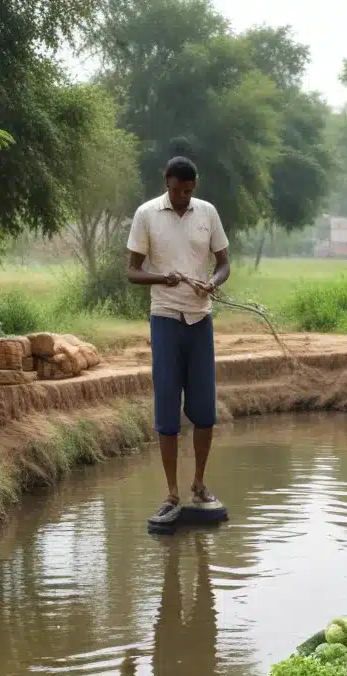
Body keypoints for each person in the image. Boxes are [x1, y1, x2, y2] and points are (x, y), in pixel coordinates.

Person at [127, 156, 230, 526]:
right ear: (166, 183)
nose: (184, 196)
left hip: (200, 320)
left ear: (195, 185)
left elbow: (223, 263)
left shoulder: (208, 213)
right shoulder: (146, 214)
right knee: (167, 408)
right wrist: (160, 278)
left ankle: (199, 484)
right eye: (177, 190)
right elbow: (132, 271)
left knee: (204, 411)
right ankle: (171, 494)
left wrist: (212, 283)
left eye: (189, 190)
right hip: (166, 320)